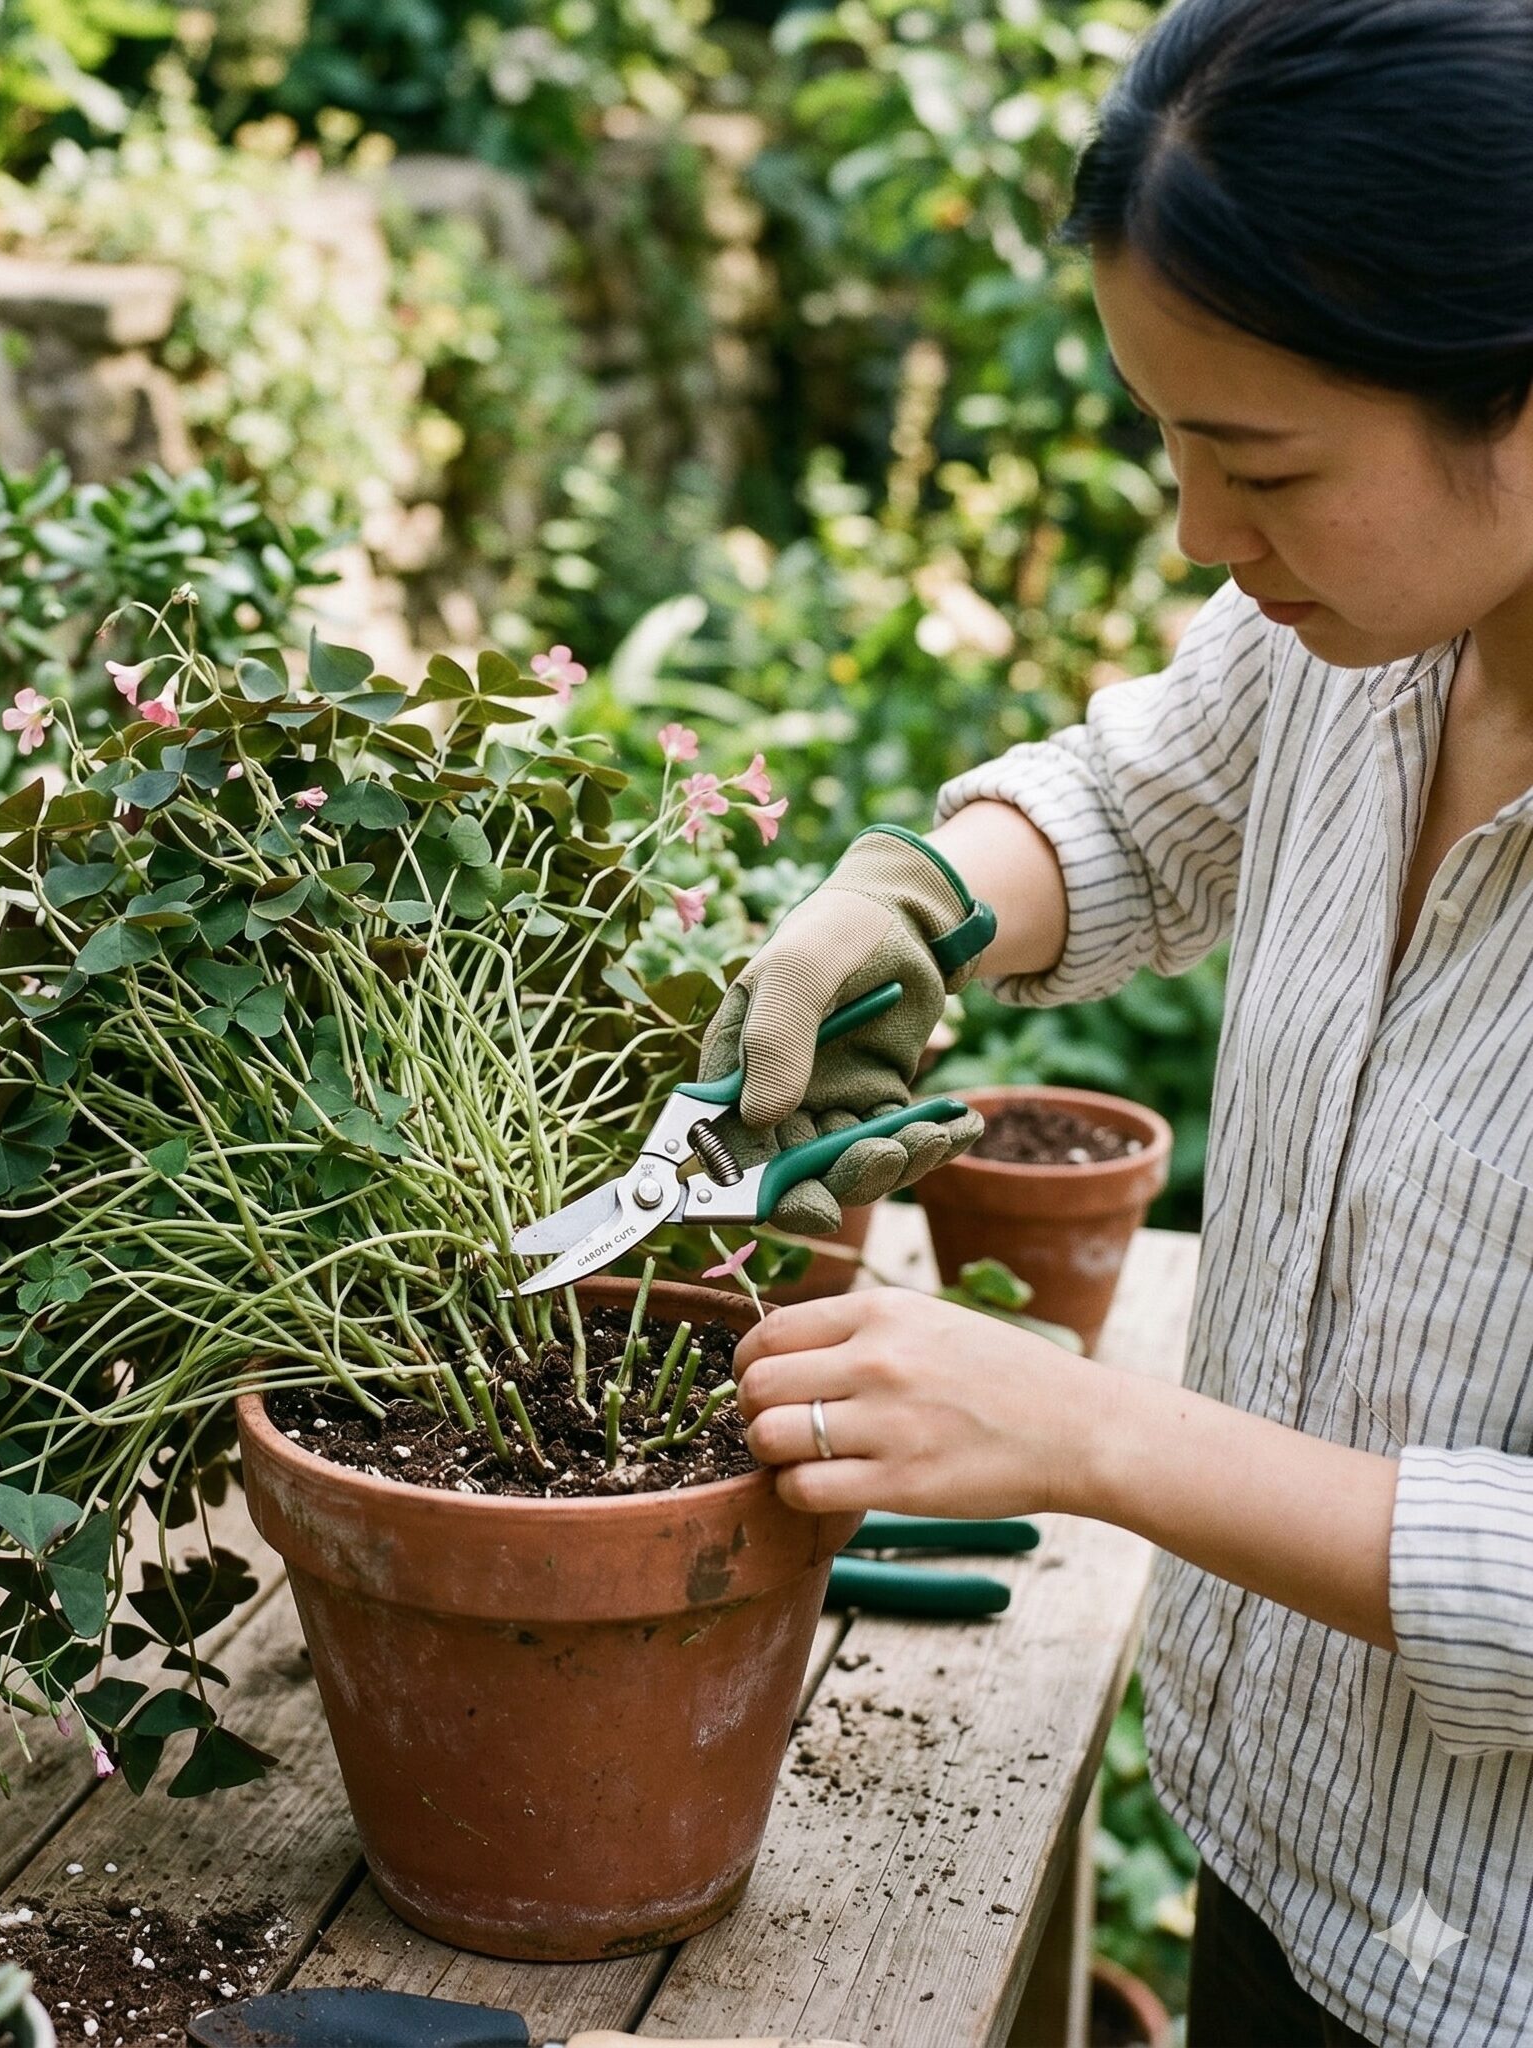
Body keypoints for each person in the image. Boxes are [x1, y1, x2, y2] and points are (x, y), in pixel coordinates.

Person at [709, 1, 1533, 2041]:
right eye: (1172, 443)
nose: (1198, 535)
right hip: (1279, 1854)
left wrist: (1088, 1433)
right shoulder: (1362, 636)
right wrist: (920, 894)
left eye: (1258, 463)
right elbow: (1148, 794)